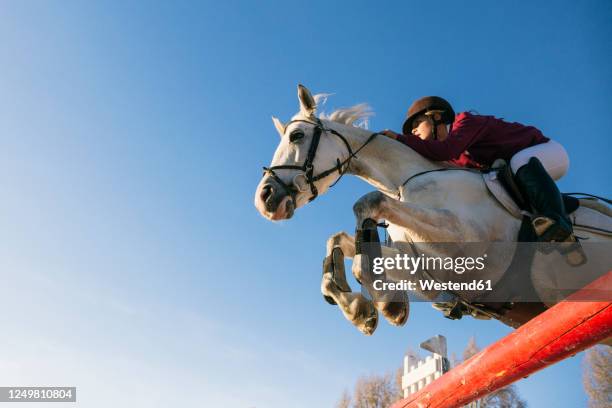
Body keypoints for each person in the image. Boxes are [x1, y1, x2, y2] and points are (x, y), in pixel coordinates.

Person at [381, 96, 585, 265]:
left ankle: (560, 226)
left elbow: (443, 150)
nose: (413, 131)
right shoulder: (452, 158)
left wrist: (401, 140)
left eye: (417, 124)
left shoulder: (465, 122)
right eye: (411, 130)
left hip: (547, 152)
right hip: (518, 175)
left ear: (436, 117)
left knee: (518, 161)